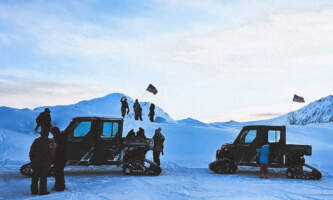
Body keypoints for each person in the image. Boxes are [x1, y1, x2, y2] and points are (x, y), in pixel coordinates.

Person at [29, 130, 53, 195]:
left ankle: (34, 191)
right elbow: (52, 152)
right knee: (43, 178)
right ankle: (43, 191)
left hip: (36, 162)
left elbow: (31, 151)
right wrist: (51, 161)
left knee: (35, 177)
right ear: (47, 134)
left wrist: (32, 160)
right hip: (45, 163)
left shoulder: (36, 141)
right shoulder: (50, 141)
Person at [50, 127, 66, 191]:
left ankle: (59, 187)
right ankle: (61, 185)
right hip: (62, 158)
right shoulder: (62, 137)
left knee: (58, 172)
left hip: (59, 158)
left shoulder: (58, 138)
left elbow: (57, 148)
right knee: (59, 172)